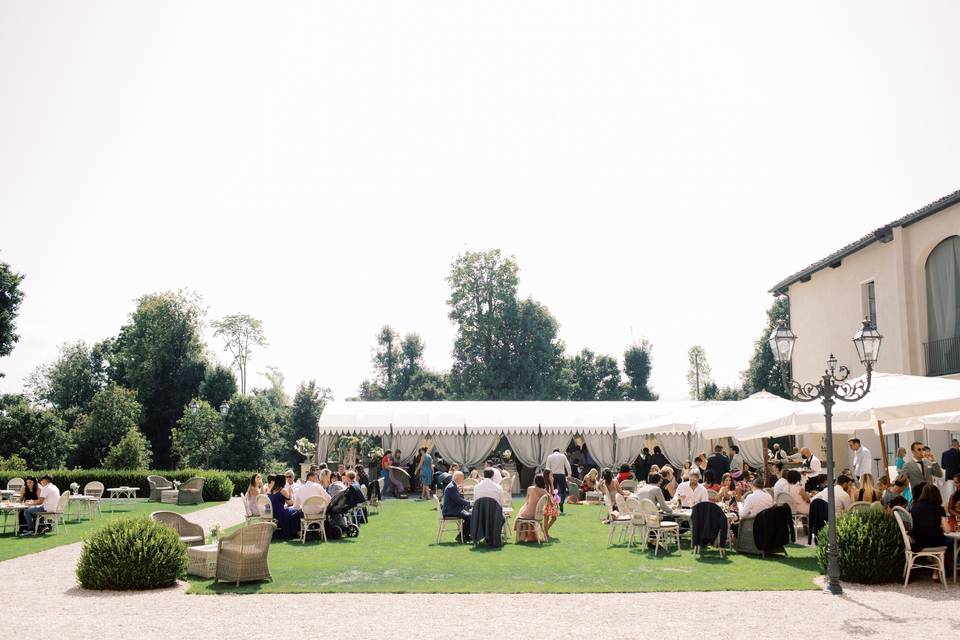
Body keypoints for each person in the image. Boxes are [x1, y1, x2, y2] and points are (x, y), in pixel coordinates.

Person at [908, 485, 950, 559]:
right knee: (949, 544)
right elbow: (947, 530)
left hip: (918, 542)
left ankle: (936, 568)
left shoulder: (914, 507)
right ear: (937, 495)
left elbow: (913, 525)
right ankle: (939, 569)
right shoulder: (939, 509)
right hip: (935, 542)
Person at [515, 474, 549, 542]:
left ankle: (520, 538)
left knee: (519, 515)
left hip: (529, 514)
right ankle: (529, 536)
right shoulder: (544, 492)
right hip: (538, 515)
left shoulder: (530, 488)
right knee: (523, 510)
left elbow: (526, 501)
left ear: (535, 481)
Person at [442, 471, 472, 542]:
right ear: (458, 478)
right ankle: (461, 536)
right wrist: (469, 503)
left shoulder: (452, 485)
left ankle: (466, 536)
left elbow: (457, 499)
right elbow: (458, 500)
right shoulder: (451, 487)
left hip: (453, 509)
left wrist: (467, 502)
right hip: (451, 511)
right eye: (462, 478)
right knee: (470, 517)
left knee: (470, 516)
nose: (463, 479)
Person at [545, 447, 572, 513]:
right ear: (559, 451)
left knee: (553, 491)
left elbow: (547, 468)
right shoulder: (563, 456)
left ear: (553, 451)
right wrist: (569, 475)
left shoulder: (549, 457)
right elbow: (568, 465)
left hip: (552, 475)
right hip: (561, 475)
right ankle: (562, 502)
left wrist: (547, 477)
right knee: (563, 491)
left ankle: (555, 505)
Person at [541, 468, 560, 538]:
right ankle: (546, 534)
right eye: (551, 474)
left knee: (554, 518)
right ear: (547, 475)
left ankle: (545, 532)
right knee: (546, 518)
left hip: (551, 502)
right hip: (547, 503)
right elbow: (548, 495)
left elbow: (552, 492)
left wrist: (552, 482)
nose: (552, 475)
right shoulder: (544, 484)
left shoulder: (549, 483)